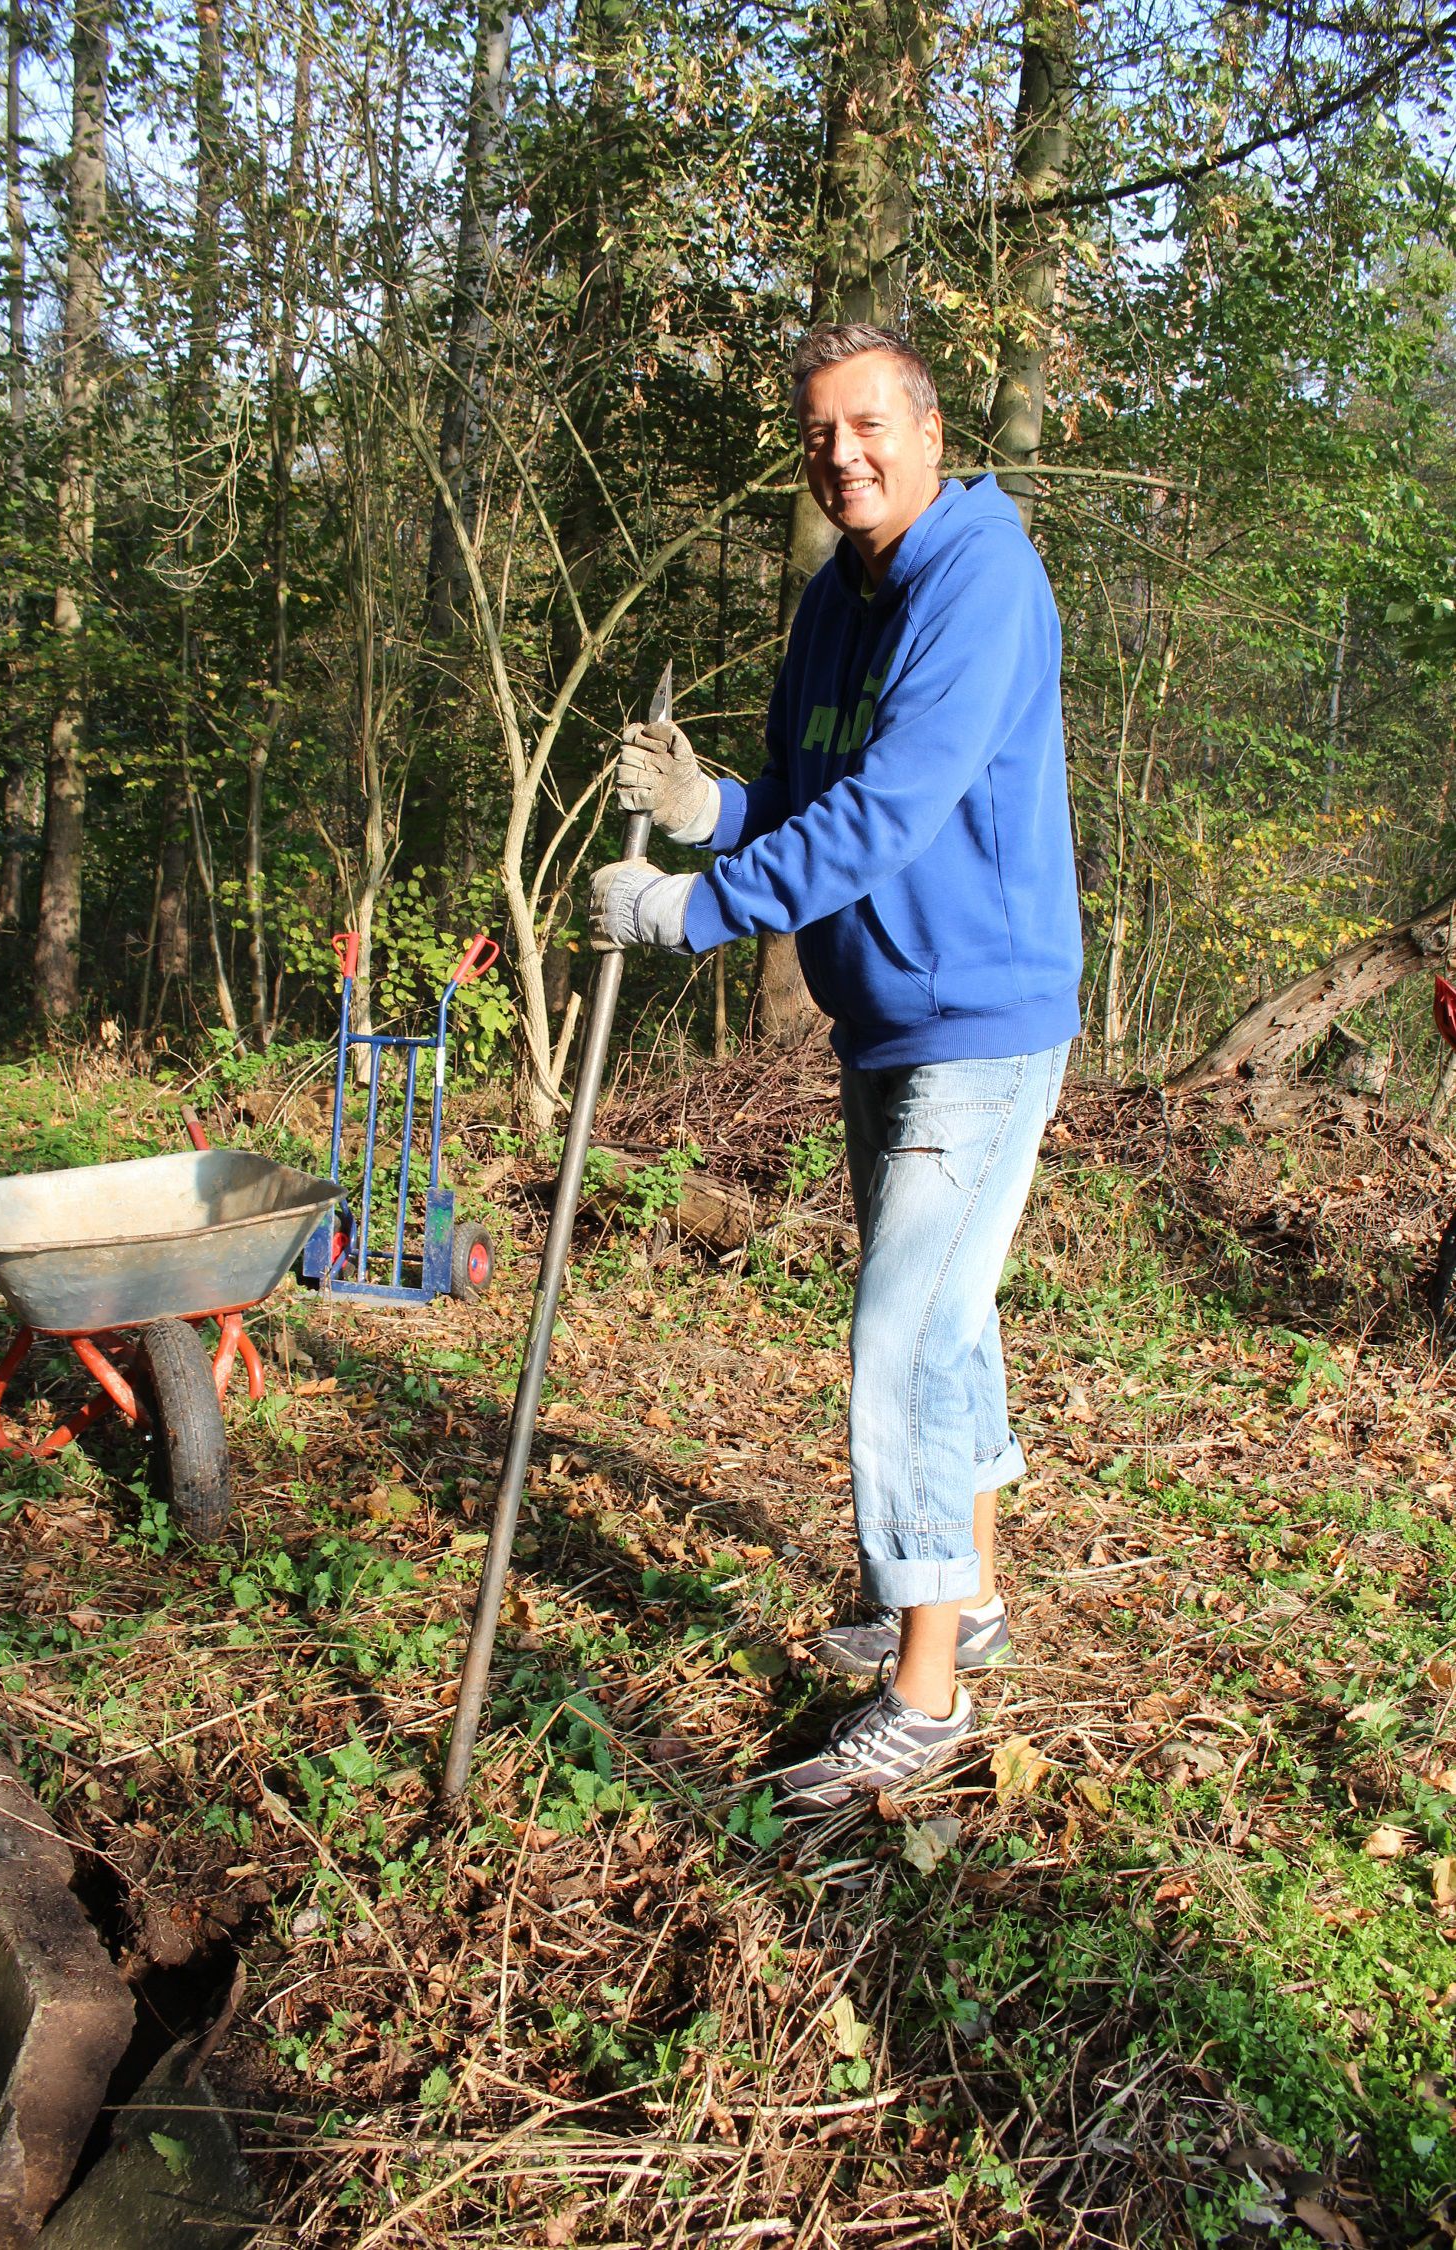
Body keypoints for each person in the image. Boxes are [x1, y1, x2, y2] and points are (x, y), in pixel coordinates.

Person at [589, 321, 1082, 1812]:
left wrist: (691, 911)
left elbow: (891, 813)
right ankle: (970, 1596)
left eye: (868, 424)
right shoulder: (834, 596)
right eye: (818, 432)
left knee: (903, 1336)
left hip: (981, 1022)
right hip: (883, 1017)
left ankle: (926, 1693)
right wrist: (708, 808)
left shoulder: (980, 580)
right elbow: (807, 800)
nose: (841, 452)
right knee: (948, 1321)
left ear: (929, 431)